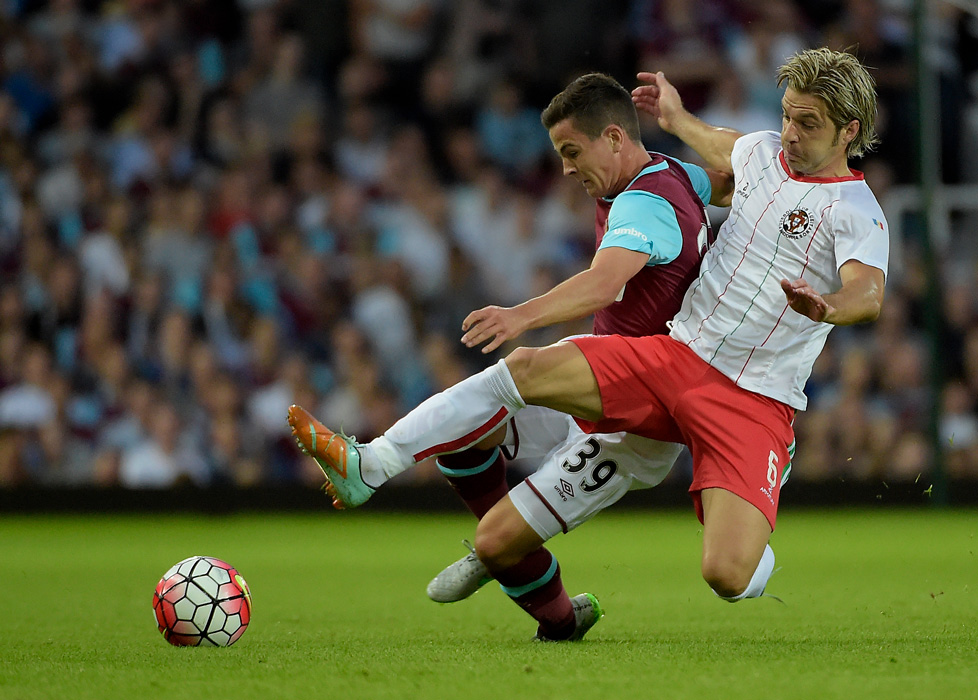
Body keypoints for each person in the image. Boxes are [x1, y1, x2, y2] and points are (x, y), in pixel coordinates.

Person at [295, 46, 887, 634]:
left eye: (807, 123)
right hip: (676, 355)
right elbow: (724, 150)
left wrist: (829, 306)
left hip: (754, 397)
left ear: (848, 130)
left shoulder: (858, 210)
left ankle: (752, 521)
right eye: (786, 114)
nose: (789, 132)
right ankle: (372, 463)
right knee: (524, 371)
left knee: (728, 577)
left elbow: (869, 293)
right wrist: (677, 119)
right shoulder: (758, 153)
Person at [290, 72, 732, 641]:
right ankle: (556, 616)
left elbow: (605, 285)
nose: (567, 169)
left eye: (573, 152)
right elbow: (728, 183)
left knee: (495, 536)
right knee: (468, 436)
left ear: (616, 137)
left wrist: (521, 315)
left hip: (634, 426)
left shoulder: (644, 202)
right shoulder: (673, 174)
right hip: (600, 388)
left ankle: (418, 496)